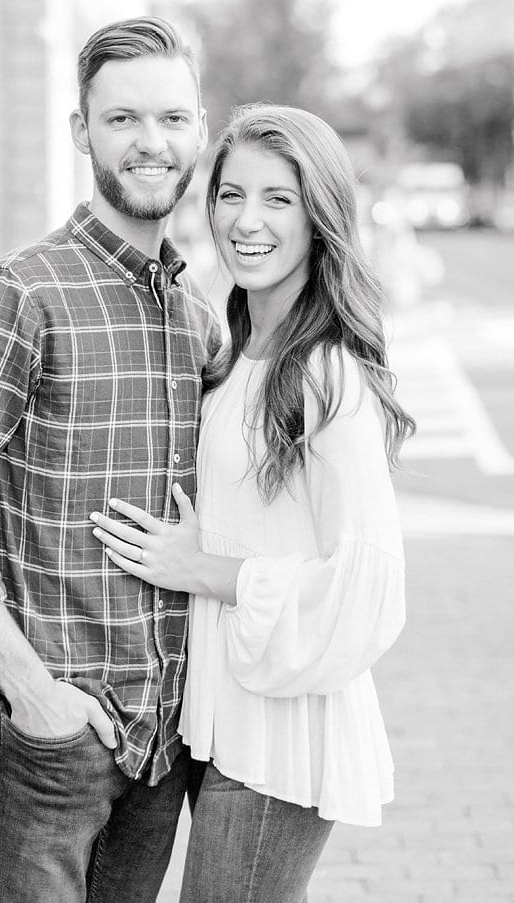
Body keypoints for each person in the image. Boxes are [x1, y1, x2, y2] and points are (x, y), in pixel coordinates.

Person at [0, 16, 222, 901]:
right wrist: (32, 694)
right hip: (48, 740)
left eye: (171, 119)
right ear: (81, 131)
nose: (149, 143)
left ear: (199, 129)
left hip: (163, 740)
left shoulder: (197, 320)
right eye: (121, 120)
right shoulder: (18, 293)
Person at [92, 105, 413, 901]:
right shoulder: (237, 356)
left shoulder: (327, 375)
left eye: (279, 198)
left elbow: (367, 589)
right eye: (230, 195)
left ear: (320, 216)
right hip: (221, 717)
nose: (247, 220)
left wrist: (205, 567)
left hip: (283, 735)